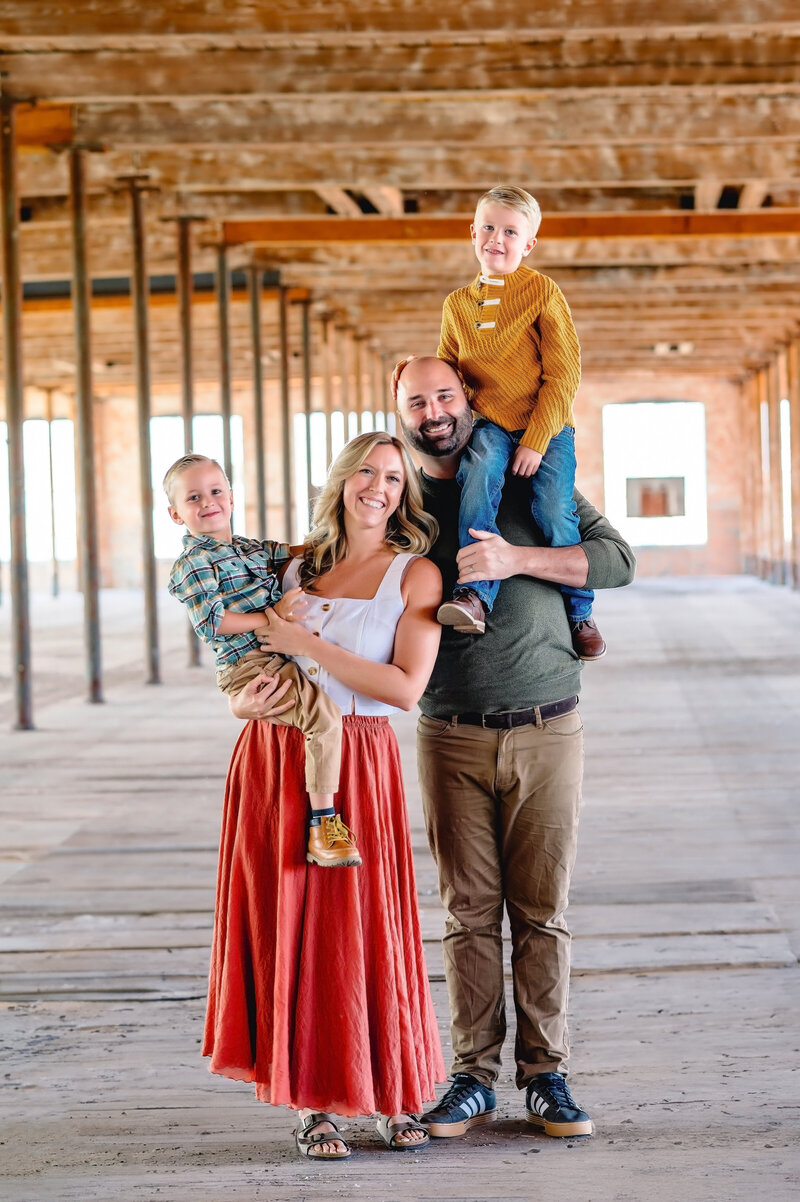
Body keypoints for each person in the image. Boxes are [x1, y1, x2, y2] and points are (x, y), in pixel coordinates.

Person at [395, 356, 636, 1139]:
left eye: (443, 394)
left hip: (548, 728)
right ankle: (472, 1077)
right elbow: (331, 570)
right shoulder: (401, 502)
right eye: (415, 400)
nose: (432, 411)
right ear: (399, 410)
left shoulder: (533, 481)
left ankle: (547, 1074)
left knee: (542, 912)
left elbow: (618, 560)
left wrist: (515, 558)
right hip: (450, 734)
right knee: (466, 914)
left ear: (469, 396)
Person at [202, 431, 447, 1158]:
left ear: (406, 495)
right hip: (276, 756)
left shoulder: (417, 575)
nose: (379, 488)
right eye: (367, 473)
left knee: (366, 922)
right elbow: (239, 660)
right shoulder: (292, 565)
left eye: (395, 479)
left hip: (359, 760)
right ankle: (311, 1104)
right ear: (342, 480)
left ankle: (395, 1093)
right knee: (293, 924)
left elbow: (404, 689)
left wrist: (310, 646)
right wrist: (241, 706)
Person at [434, 183, 606, 662]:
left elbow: (563, 374)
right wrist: (418, 374)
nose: (497, 238)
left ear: (527, 244)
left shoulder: (542, 292)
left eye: (510, 231)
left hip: (544, 423)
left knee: (553, 506)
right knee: (479, 474)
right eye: (488, 227)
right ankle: (474, 596)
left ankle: (579, 611)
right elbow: (452, 372)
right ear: (472, 233)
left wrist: (534, 441)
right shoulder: (456, 305)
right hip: (488, 422)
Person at [164, 452, 359, 868]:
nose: (208, 502)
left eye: (215, 491)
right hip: (250, 663)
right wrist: (273, 618)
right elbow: (213, 622)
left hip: (275, 651)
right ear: (176, 514)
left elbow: (296, 551)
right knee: (324, 715)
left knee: (320, 709)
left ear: (231, 498)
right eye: (193, 498)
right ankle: (323, 824)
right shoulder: (193, 563)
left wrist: (346, 537)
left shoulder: (248, 549)